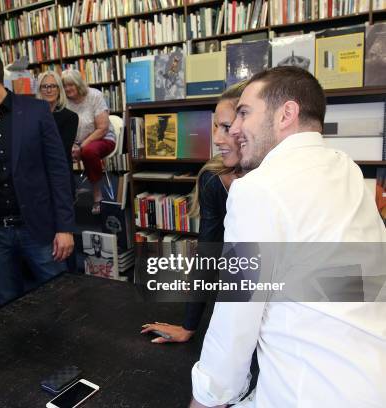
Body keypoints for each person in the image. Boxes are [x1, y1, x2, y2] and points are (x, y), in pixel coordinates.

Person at [189, 67, 386, 407]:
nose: (235, 130)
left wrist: (206, 398)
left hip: (307, 390)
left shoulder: (258, 188)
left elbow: (236, 319)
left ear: (286, 114)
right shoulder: (347, 169)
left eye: (244, 114)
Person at [0, 47, 75, 305]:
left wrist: (64, 227)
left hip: (39, 229)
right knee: (7, 305)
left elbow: (58, 171)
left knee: (61, 298)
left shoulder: (37, 111)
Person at [140, 81, 247, 343]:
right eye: (216, 127)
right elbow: (208, 252)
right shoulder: (213, 179)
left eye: (227, 127)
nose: (217, 139)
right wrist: (189, 326)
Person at [61, 69, 116, 215]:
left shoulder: (94, 96)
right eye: (64, 86)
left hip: (102, 139)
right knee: (56, 152)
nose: (67, 89)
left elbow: (103, 128)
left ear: (78, 84)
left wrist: (80, 146)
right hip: (75, 144)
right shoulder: (63, 101)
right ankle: (68, 194)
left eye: (70, 85)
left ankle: (97, 194)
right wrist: (71, 145)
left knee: (89, 151)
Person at [36, 70, 79, 197]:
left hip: (59, 173)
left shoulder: (70, 117)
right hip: (36, 173)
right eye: (45, 86)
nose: (49, 90)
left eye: (53, 86)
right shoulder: (32, 116)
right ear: (39, 90)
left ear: (59, 89)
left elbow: (62, 150)